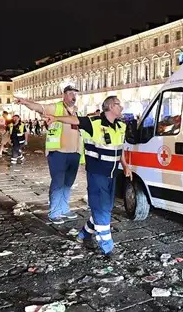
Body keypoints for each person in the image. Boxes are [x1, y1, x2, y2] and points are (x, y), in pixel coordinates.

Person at [43, 95, 131, 257]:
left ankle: (84, 234)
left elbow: (120, 148)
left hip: (112, 174)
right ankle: (107, 246)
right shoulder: (94, 123)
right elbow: (74, 120)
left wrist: (125, 166)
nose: (122, 108)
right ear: (111, 106)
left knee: (105, 207)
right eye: (119, 105)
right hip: (97, 174)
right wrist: (55, 117)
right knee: (102, 209)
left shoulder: (120, 126)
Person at [16, 85, 83, 225]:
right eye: (70, 93)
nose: (73, 96)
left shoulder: (77, 111)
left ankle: (64, 209)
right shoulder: (56, 107)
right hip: (57, 151)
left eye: (75, 94)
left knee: (68, 183)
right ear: (64, 95)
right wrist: (26, 102)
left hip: (75, 152)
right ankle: (54, 212)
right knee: (58, 182)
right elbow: (40, 107)